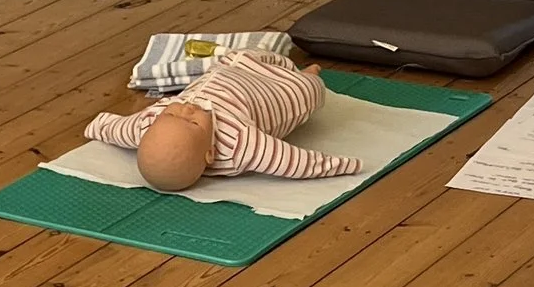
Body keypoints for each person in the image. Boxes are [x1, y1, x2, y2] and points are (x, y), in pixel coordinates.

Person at [86, 50, 360, 193]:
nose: (186, 108)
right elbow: (293, 162)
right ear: (210, 153)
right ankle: (307, 74)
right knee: (307, 90)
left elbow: (117, 128)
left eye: (170, 113)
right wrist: (343, 165)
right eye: (193, 123)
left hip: (231, 71)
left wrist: (96, 126)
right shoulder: (240, 144)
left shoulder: (146, 124)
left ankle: (283, 64)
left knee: (242, 55)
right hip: (274, 93)